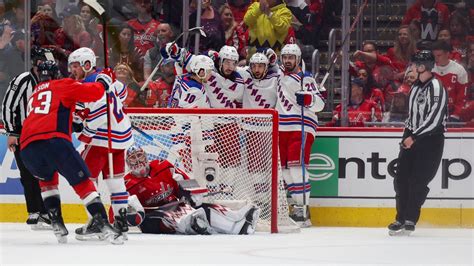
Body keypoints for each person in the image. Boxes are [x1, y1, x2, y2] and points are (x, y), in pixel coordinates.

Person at [18, 61, 123, 244]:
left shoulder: (34, 94)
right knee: (83, 183)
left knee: (47, 181)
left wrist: (74, 122)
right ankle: (103, 223)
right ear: (57, 74)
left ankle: (57, 222)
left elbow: (56, 113)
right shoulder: (63, 84)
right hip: (54, 140)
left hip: (27, 147)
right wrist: (104, 81)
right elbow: (94, 93)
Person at [114, 147, 260, 235]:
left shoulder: (163, 165)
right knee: (183, 212)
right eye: (133, 158)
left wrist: (193, 192)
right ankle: (195, 224)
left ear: (145, 156)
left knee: (201, 207)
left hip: (176, 207)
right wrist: (129, 210)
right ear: (127, 163)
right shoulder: (125, 183)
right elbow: (116, 213)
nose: (138, 161)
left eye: (139, 155)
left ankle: (237, 223)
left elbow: (186, 180)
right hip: (152, 219)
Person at [67, 47, 134, 240]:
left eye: (76, 66)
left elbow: (100, 111)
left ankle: (97, 223)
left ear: (88, 65)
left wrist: (86, 134)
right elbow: (122, 93)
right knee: (115, 181)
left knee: (85, 180)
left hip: (101, 138)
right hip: (119, 138)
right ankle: (120, 224)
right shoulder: (108, 79)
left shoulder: (88, 84)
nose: (73, 70)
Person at [388, 50, 448, 236]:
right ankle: (400, 218)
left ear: (423, 67)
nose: (412, 67)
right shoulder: (415, 87)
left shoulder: (437, 87)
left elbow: (435, 119)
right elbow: (412, 116)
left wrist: (414, 137)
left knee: (418, 181)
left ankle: (410, 219)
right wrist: (408, 134)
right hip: (412, 135)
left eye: (415, 64)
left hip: (431, 140)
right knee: (401, 179)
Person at [1, 46, 52, 230]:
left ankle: (47, 211)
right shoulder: (23, 80)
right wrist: (12, 132)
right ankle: (35, 211)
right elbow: (8, 106)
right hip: (23, 133)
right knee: (27, 173)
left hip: (44, 134)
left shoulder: (52, 80)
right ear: (37, 62)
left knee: (45, 174)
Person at [276, 44, 325, 227]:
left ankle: (303, 210)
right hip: (282, 127)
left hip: (300, 125)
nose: (288, 60)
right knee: (286, 171)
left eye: (291, 57)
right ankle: (298, 207)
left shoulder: (306, 78)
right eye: (285, 57)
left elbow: (320, 103)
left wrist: (309, 99)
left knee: (297, 168)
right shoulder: (279, 74)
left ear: (298, 60)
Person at [431, 40, 468, 122]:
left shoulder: (459, 70)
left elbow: (462, 97)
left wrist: (456, 115)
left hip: (452, 114)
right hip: (431, 113)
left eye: (439, 55)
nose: (436, 59)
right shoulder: (429, 69)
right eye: (434, 56)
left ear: (447, 54)